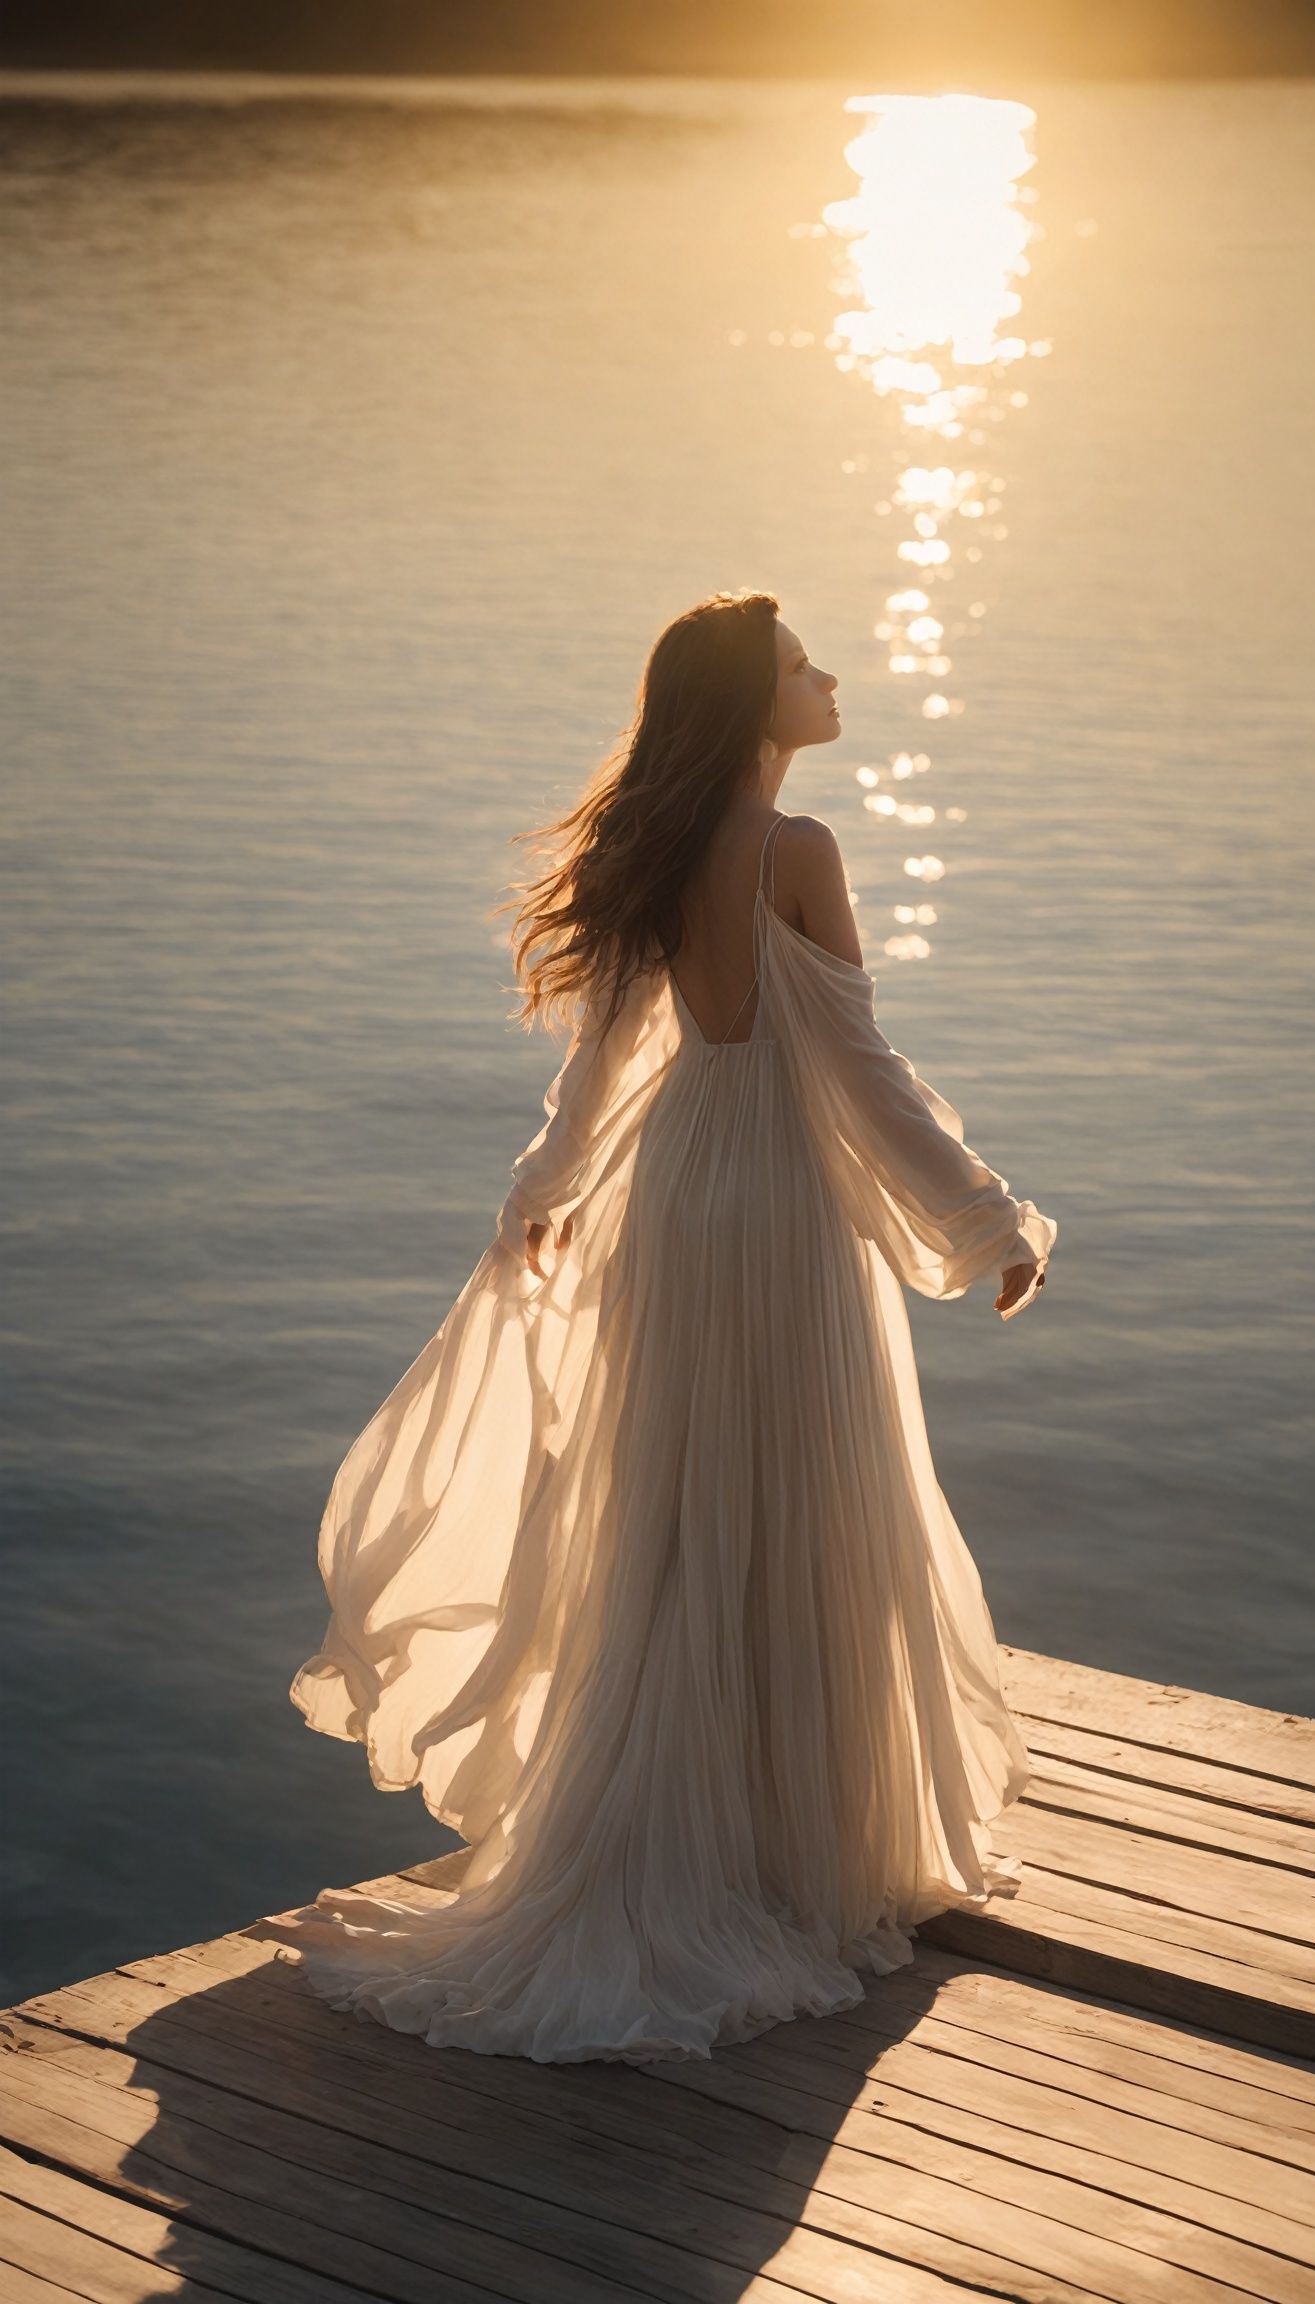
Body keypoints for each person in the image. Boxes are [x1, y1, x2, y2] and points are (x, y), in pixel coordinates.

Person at [279, 589, 1057, 2064]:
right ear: (755, 706)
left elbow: (602, 1063)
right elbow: (862, 1065)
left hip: (676, 1197)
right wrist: (986, 1218)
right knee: (805, 1500)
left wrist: (548, 1186)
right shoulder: (796, 849)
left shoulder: (657, 846)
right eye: (800, 668)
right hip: (775, 1204)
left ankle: (675, 1841)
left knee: (679, 1517)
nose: (830, 680)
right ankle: (795, 1852)